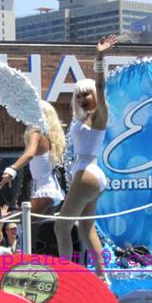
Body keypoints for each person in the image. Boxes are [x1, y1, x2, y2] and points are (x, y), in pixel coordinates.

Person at [54, 35, 117, 283]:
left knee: (61, 227)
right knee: (85, 228)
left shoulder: (99, 116)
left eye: (86, 95)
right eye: (79, 96)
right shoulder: (85, 117)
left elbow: (101, 86)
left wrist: (99, 57)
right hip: (90, 173)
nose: (83, 99)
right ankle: (103, 276)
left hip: (87, 173)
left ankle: (65, 277)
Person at [0, 100, 66, 216]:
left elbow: (29, 154)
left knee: (28, 225)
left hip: (44, 190)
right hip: (52, 190)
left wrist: (11, 169)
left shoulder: (35, 133)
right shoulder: (49, 137)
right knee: (42, 230)